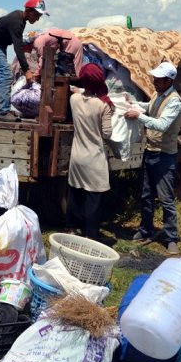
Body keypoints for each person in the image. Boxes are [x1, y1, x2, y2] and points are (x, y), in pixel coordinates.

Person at [124, 61, 181, 254]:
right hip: (151, 151)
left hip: (165, 155)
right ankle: (145, 229)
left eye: (158, 78)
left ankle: (171, 237)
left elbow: (162, 125)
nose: (154, 81)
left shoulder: (174, 101)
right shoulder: (159, 95)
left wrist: (137, 116)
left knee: (166, 198)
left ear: (168, 80)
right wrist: (133, 103)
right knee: (146, 194)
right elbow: (149, 107)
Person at [66, 63, 114, 240]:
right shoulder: (103, 106)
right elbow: (107, 133)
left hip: (77, 156)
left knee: (76, 192)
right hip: (94, 158)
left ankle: (71, 228)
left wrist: (77, 90)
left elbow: (78, 92)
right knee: (94, 197)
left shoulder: (74, 100)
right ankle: (90, 235)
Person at [0, 0, 48, 122]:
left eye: (40, 16)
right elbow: (18, 48)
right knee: (6, 75)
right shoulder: (17, 22)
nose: (38, 18)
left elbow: (2, 21)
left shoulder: (19, 18)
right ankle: (4, 112)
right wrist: (27, 70)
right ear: (28, 10)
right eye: (37, 15)